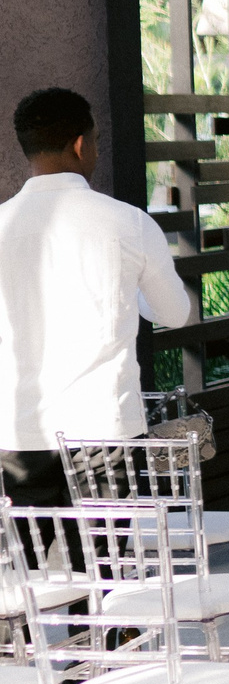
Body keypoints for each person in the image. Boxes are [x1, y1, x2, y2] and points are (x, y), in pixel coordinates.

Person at [0, 89, 190, 536]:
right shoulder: (127, 222)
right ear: (81, 144)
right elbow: (175, 313)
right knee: (108, 576)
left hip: (16, 431)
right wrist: (130, 294)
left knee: (36, 580)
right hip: (103, 431)